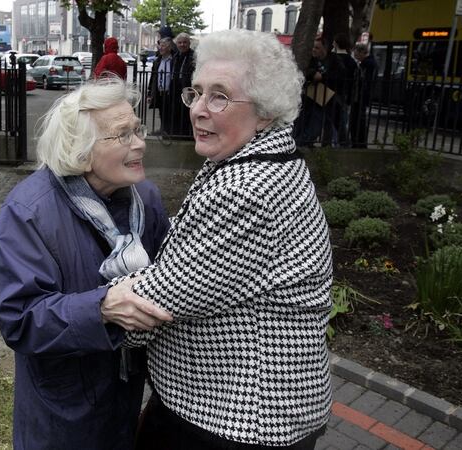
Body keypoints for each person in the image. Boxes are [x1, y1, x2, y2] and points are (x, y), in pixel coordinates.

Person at [114, 29, 333, 449]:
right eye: (196, 92)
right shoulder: (258, 157)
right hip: (249, 405)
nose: (198, 109)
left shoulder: (248, 190)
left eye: (219, 96)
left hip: (236, 415)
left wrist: (93, 303)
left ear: (265, 112)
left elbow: (158, 302)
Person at [0, 78, 173, 449]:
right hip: (63, 412)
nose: (140, 143)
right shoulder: (30, 211)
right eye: (122, 135)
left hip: (124, 395)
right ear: (81, 150)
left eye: (138, 129)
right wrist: (102, 308)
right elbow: (19, 319)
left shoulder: (147, 199)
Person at [294, 37, 347, 147]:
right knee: (309, 122)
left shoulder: (334, 60)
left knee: (332, 123)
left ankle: (342, 144)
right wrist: (312, 74)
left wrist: (322, 77)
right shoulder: (311, 60)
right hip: (313, 97)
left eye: (317, 47)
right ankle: (302, 142)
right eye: (313, 47)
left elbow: (339, 76)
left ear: (325, 48)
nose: (314, 50)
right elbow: (303, 71)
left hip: (328, 98)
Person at [332, 33, 359, 147]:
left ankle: (335, 141)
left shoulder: (333, 59)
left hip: (331, 91)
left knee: (332, 118)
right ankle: (343, 141)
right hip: (345, 92)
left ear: (336, 43)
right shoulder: (352, 62)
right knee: (342, 118)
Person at [350, 42, 377, 147]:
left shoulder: (367, 64)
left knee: (358, 121)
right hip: (361, 96)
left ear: (362, 52)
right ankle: (358, 142)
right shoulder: (368, 63)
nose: (355, 55)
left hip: (360, 97)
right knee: (358, 120)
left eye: (356, 53)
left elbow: (364, 82)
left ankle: (358, 142)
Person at [168, 32, 195, 136]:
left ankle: (186, 134)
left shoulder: (193, 56)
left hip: (187, 88)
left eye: (184, 42)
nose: (182, 45)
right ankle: (175, 133)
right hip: (175, 88)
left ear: (189, 43)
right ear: (177, 44)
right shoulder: (175, 56)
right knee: (175, 112)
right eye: (180, 43)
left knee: (186, 113)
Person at [147, 37, 174, 135]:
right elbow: (153, 78)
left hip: (170, 92)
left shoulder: (174, 60)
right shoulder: (157, 61)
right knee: (161, 112)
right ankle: (163, 129)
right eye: (160, 46)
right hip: (160, 91)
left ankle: (169, 131)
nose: (160, 48)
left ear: (169, 47)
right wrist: (150, 93)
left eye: (163, 46)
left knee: (170, 112)